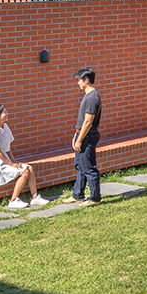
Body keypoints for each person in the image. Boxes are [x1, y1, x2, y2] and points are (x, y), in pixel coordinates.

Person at [0, 104, 49, 208]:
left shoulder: (5, 126)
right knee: (24, 172)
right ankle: (13, 200)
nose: (7, 114)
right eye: (4, 112)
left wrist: (14, 160)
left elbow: (8, 147)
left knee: (30, 168)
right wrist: (10, 163)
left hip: (5, 158)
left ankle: (35, 197)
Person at [65, 67, 102, 206]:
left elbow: (88, 121)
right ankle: (78, 195)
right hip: (81, 134)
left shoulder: (92, 97)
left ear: (86, 80)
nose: (78, 83)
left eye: (79, 80)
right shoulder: (88, 96)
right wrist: (76, 135)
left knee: (89, 167)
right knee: (80, 166)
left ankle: (95, 198)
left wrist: (80, 139)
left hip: (87, 136)